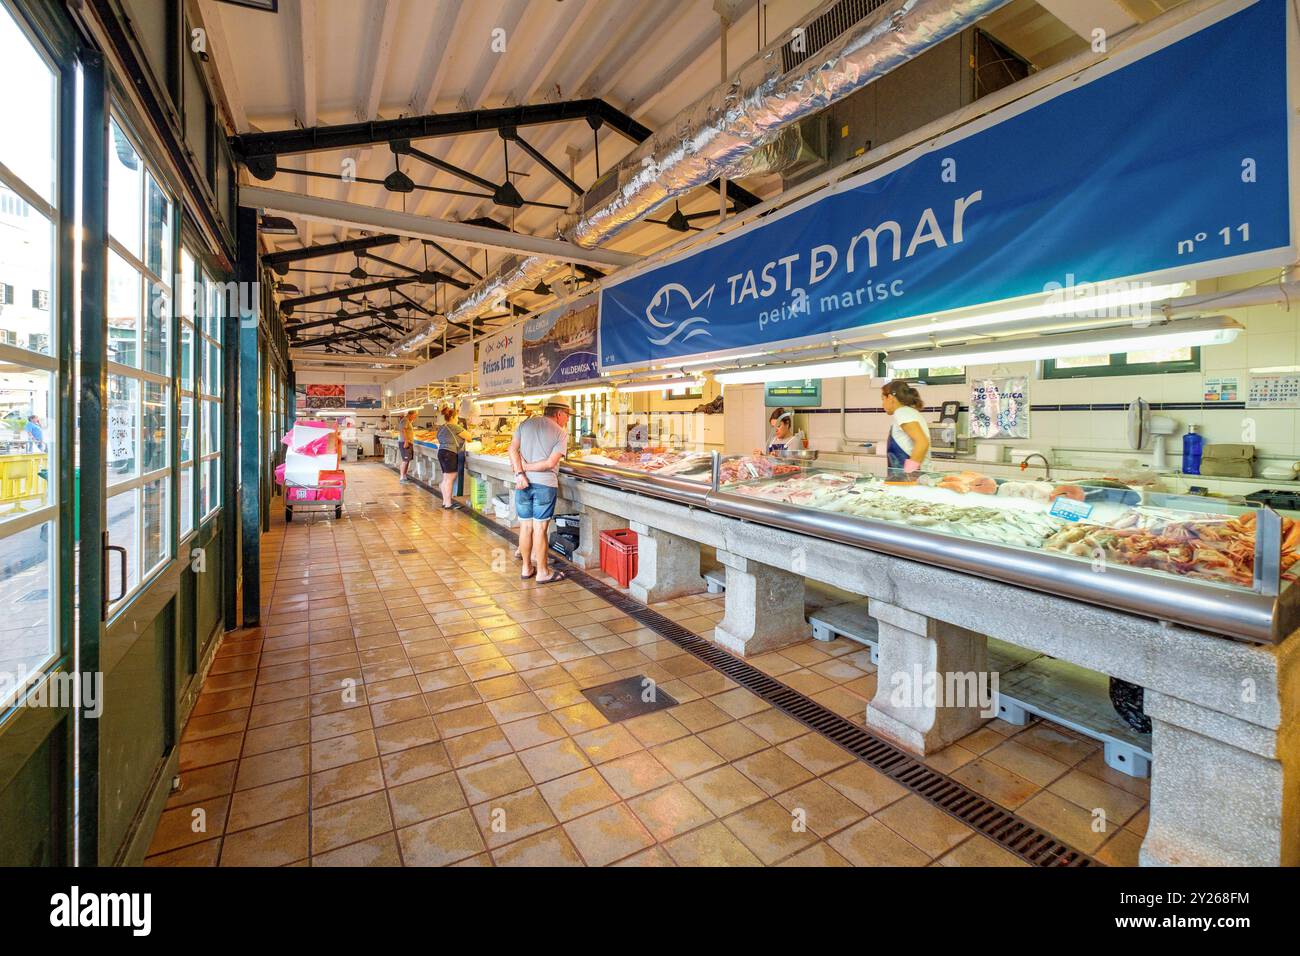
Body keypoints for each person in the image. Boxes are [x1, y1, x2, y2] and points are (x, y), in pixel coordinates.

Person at [508, 396, 570, 583]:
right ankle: (543, 572)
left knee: (525, 527)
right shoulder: (560, 433)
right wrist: (527, 468)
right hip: (545, 485)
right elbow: (551, 463)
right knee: (540, 529)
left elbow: (512, 450)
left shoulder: (525, 425)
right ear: (559, 414)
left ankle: (527, 568)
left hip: (522, 484)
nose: (567, 419)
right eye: (567, 415)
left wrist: (521, 472)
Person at [881, 380, 931, 480]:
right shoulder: (909, 412)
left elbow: (922, 442)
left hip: (909, 479)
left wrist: (908, 474)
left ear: (890, 398)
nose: (882, 404)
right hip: (913, 477)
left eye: (883, 399)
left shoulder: (902, 413)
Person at [435, 405, 471, 509]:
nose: (457, 419)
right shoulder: (454, 427)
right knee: (450, 478)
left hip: (441, 452)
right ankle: (448, 504)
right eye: (457, 417)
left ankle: (445, 501)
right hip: (450, 453)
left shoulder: (441, 427)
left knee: (446, 478)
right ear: (453, 417)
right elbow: (469, 437)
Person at [397, 409, 417, 482]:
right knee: (405, 460)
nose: (415, 418)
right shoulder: (405, 420)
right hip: (405, 442)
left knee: (407, 460)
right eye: (414, 416)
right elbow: (403, 430)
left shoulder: (408, 420)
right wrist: (406, 441)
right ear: (411, 414)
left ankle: (405, 475)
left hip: (408, 442)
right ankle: (402, 477)